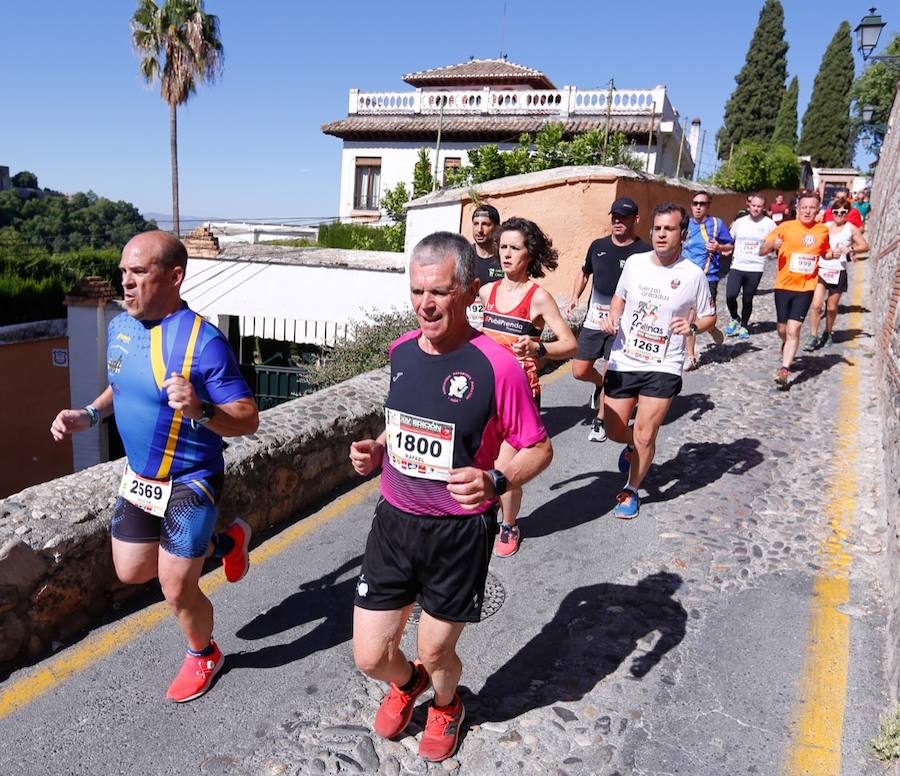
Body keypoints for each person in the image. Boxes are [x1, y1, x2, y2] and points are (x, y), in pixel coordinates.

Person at [348, 232, 552, 763]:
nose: (425, 305)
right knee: (371, 656)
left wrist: (497, 482)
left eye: (438, 291)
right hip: (395, 522)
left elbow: (537, 449)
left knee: (436, 648)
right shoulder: (399, 352)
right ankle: (407, 682)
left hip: (459, 531)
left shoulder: (496, 365)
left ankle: (446, 702)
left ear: (470, 291)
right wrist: (379, 448)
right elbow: (403, 425)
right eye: (417, 291)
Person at [50, 231, 259, 702]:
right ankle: (229, 541)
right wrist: (86, 415)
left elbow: (248, 419)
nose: (126, 282)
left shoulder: (203, 342)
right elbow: (120, 387)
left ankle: (203, 652)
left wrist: (202, 410)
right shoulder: (121, 327)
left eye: (139, 272)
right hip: (141, 479)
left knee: (174, 584)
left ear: (174, 276)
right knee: (131, 570)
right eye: (123, 271)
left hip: (191, 478)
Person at [599, 203, 717, 519]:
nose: (661, 234)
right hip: (626, 358)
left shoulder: (693, 275)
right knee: (613, 428)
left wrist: (692, 327)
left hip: (664, 363)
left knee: (646, 433)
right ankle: (633, 446)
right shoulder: (636, 263)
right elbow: (619, 297)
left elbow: (709, 316)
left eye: (669, 229)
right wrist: (613, 318)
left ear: (682, 233)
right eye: (657, 228)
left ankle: (631, 489)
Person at [480, 217, 576, 557]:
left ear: (529, 254)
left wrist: (540, 350)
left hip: (520, 396)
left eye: (515, 248)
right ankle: (487, 510)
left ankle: (509, 523)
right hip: (485, 394)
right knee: (484, 461)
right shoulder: (486, 292)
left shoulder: (538, 298)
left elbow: (570, 343)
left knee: (506, 468)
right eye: (502, 247)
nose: (506, 254)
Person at [566, 197, 651, 442]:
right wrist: (574, 296)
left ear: (635, 220)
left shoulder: (644, 252)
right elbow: (584, 273)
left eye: (623, 217)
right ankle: (601, 385)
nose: (617, 221)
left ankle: (600, 420)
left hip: (623, 325)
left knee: (610, 370)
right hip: (595, 320)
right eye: (614, 216)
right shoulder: (598, 246)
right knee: (579, 370)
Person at [758, 191, 831, 387]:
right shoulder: (785, 227)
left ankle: (784, 369)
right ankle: (786, 342)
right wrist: (773, 244)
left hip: (806, 287)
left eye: (812, 208)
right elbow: (762, 250)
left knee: (794, 328)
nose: (808, 211)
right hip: (783, 285)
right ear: (797, 209)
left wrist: (834, 254)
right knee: (782, 328)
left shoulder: (822, 230)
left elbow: (825, 252)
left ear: (818, 210)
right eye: (804, 207)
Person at [804, 196, 869, 350]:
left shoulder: (851, 228)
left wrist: (851, 249)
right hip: (822, 268)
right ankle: (813, 335)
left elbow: (865, 246)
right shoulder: (824, 226)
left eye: (843, 212)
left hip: (838, 271)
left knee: (831, 308)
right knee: (816, 304)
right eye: (836, 211)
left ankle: (827, 332)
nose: (839, 215)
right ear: (831, 212)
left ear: (847, 213)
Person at [681, 191, 731, 369]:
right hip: (686, 275)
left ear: (708, 205)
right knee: (690, 314)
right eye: (695, 203)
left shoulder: (717, 224)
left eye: (702, 203)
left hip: (708, 276)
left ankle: (712, 328)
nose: (698, 207)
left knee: (705, 316)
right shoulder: (684, 223)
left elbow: (730, 246)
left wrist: (719, 247)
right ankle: (691, 356)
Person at [724, 194, 777, 339]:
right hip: (738, 264)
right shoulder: (739, 222)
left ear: (763, 207)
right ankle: (735, 317)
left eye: (759, 206)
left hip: (756, 267)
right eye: (754, 205)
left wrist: (771, 248)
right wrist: (725, 248)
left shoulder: (769, 224)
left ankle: (744, 326)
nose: (756, 208)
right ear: (749, 206)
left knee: (747, 299)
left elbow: (775, 242)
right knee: (730, 295)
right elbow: (730, 240)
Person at [466, 204, 504, 329]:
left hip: (495, 332)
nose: (479, 230)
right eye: (476, 224)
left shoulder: (505, 259)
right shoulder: (463, 257)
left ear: (497, 228)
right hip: (464, 334)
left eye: (486, 224)